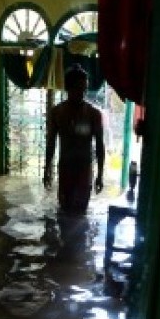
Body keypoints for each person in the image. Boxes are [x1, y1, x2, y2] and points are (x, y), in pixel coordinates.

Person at [43, 64, 105, 214]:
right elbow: (51, 142)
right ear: (68, 88)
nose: (82, 92)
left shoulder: (93, 114)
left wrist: (100, 175)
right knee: (64, 212)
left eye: (85, 88)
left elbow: (100, 146)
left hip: (84, 170)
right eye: (78, 88)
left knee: (81, 214)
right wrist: (47, 169)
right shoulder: (57, 112)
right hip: (65, 169)